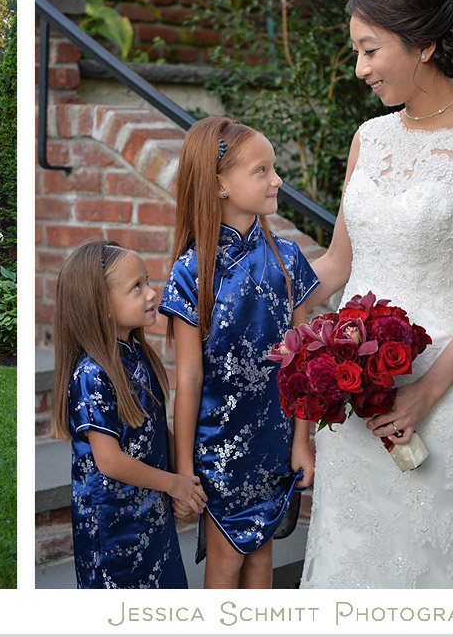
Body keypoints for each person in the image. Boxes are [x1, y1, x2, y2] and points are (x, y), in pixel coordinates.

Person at [300, 0, 453, 589]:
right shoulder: (368, 137)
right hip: (353, 386)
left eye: (370, 50)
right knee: (353, 549)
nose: (361, 68)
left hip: (440, 387)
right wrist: (261, 300)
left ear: (424, 44)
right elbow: (340, 264)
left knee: (432, 557)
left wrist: (425, 392)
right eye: (356, 52)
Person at [158, 116, 320, 589]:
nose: (277, 180)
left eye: (274, 169)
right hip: (219, 453)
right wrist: (185, 471)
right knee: (226, 563)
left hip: (274, 443)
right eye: (262, 171)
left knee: (262, 561)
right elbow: (187, 379)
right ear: (220, 185)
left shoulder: (287, 258)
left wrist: (301, 440)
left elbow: (302, 360)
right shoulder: (192, 271)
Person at [49, 240, 207, 588]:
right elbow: (110, 461)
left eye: (147, 281)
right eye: (137, 287)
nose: (152, 294)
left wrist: (183, 472)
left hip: (151, 515)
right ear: (101, 306)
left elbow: (152, 427)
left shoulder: (138, 355)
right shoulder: (92, 374)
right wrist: (175, 484)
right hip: (113, 529)